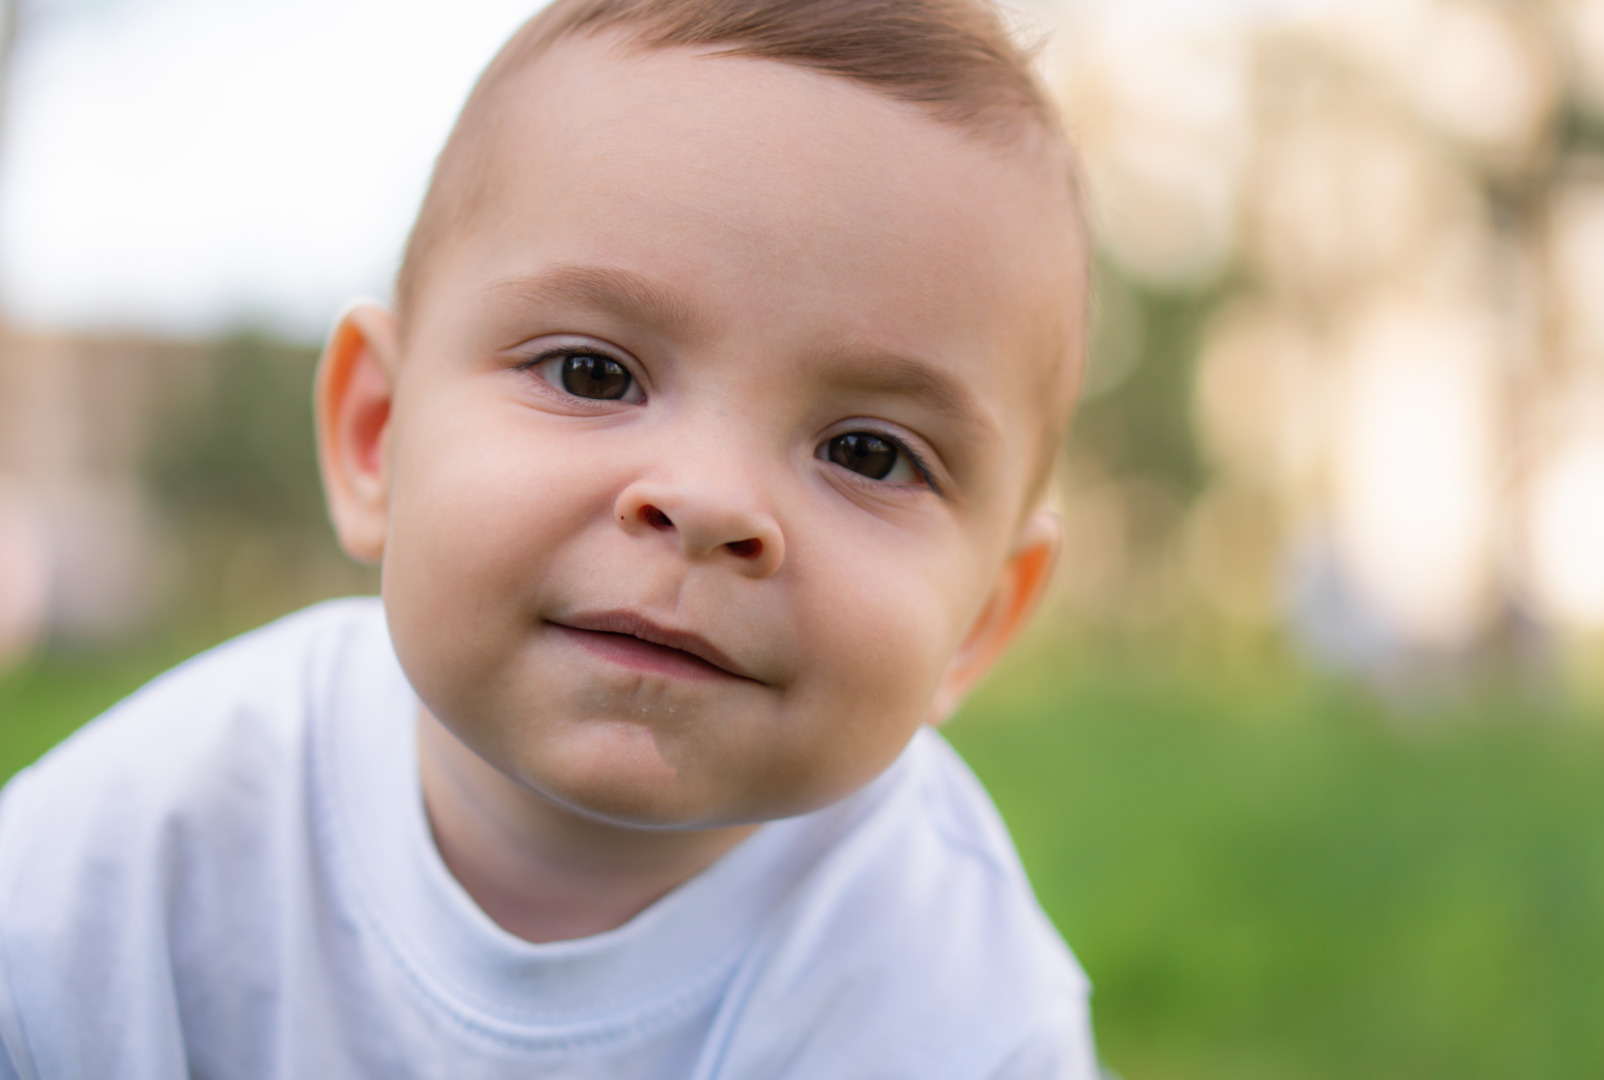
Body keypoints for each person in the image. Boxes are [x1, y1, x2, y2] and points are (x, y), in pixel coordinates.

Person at [0, 0, 1096, 1075]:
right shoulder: (120, 861)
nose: (710, 503)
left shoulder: (958, 996)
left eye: (866, 454)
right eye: (593, 374)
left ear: (980, 623)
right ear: (378, 435)